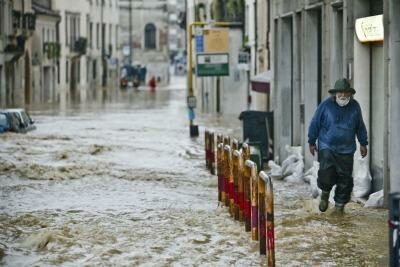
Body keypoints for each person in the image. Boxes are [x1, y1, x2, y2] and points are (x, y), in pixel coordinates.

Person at [308, 78, 368, 214]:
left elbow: (360, 126)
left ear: (350, 94)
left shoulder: (355, 107)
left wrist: (363, 143)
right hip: (327, 146)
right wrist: (311, 141)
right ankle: (324, 194)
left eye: (346, 93)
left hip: (346, 149)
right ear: (335, 93)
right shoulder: (325, 105)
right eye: (340, 92)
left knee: (345, 179)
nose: (343, 96)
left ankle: (339, 207)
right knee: (326, 173)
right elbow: (315, 123)